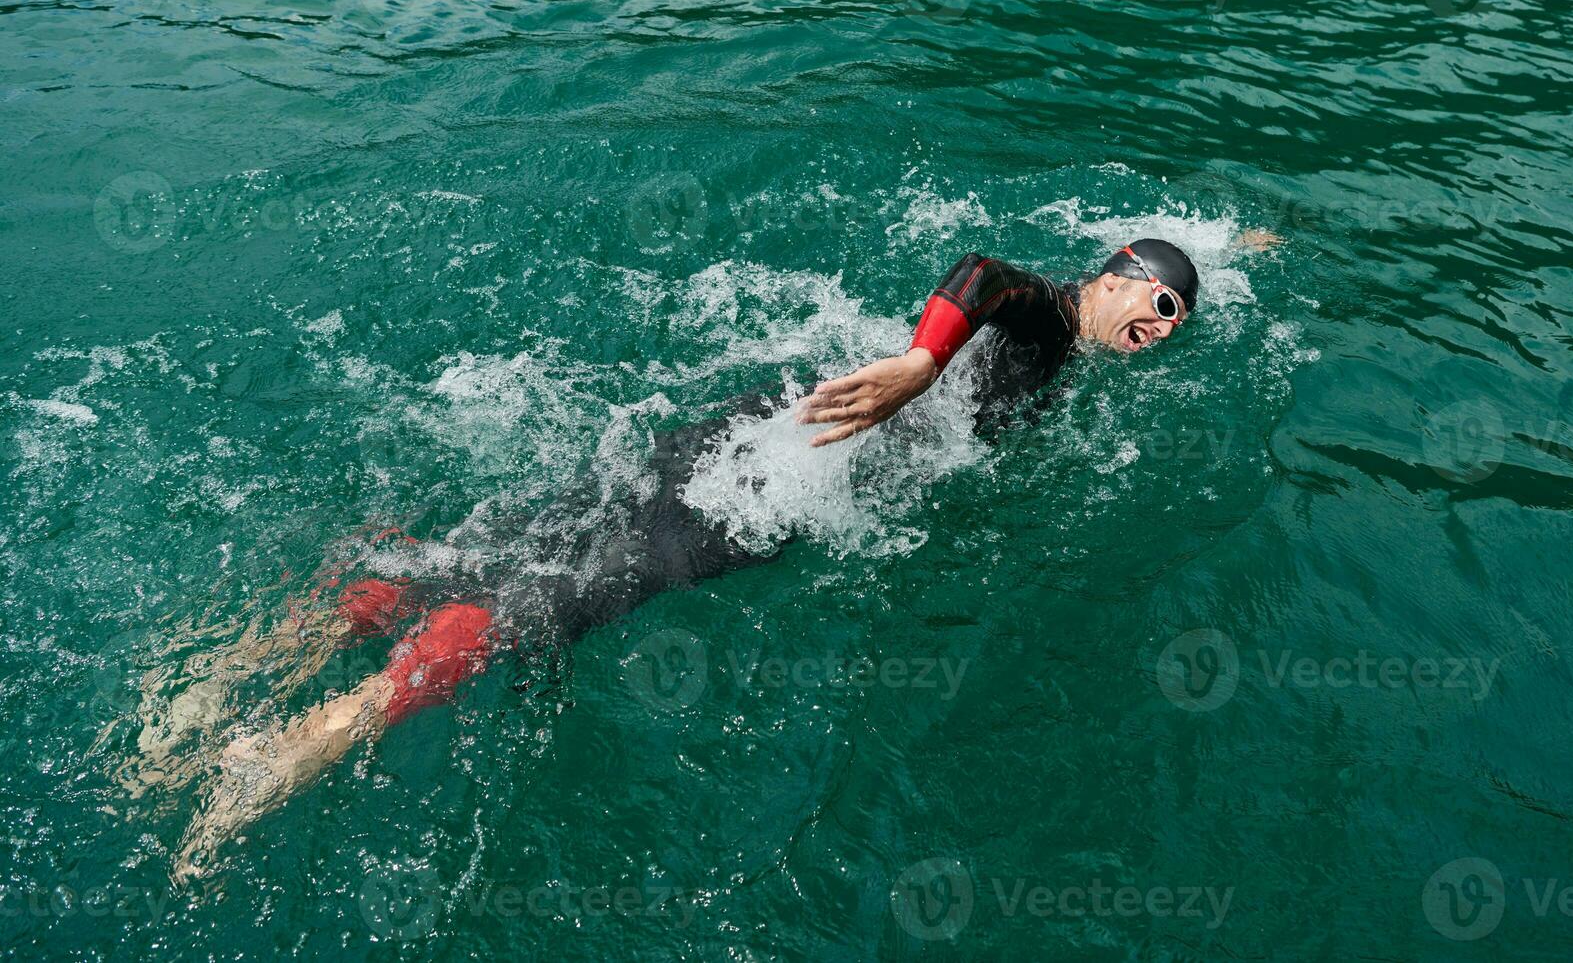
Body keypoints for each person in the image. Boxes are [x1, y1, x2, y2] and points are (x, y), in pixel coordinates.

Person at [168, 233, 1275, 882]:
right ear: (1118, 271)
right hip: (773, 485)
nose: (1167, 324)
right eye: (1162, 300)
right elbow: (987, 274)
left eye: (1181, 316)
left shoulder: (1081, 331)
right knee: (565, 595)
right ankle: (317, 737)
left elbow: (1137, 260)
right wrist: (919, 368)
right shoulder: (1042, 326)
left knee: (513, 544)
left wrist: (1233, 252)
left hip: (763, 432)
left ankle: (238, 666)